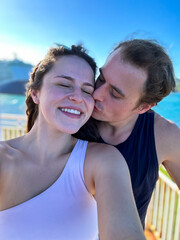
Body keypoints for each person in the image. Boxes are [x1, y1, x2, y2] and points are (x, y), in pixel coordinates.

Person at [0, 45, 146, 240]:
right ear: (36, 93)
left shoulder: (103, 161)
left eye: (87, 90)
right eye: (64, 84)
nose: (77, 97)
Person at [92, 39, 180, 228]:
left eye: (115, 94)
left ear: (143, 107)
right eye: (100, 78)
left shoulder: (164, 135)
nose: (96, 94)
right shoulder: (73, 114)